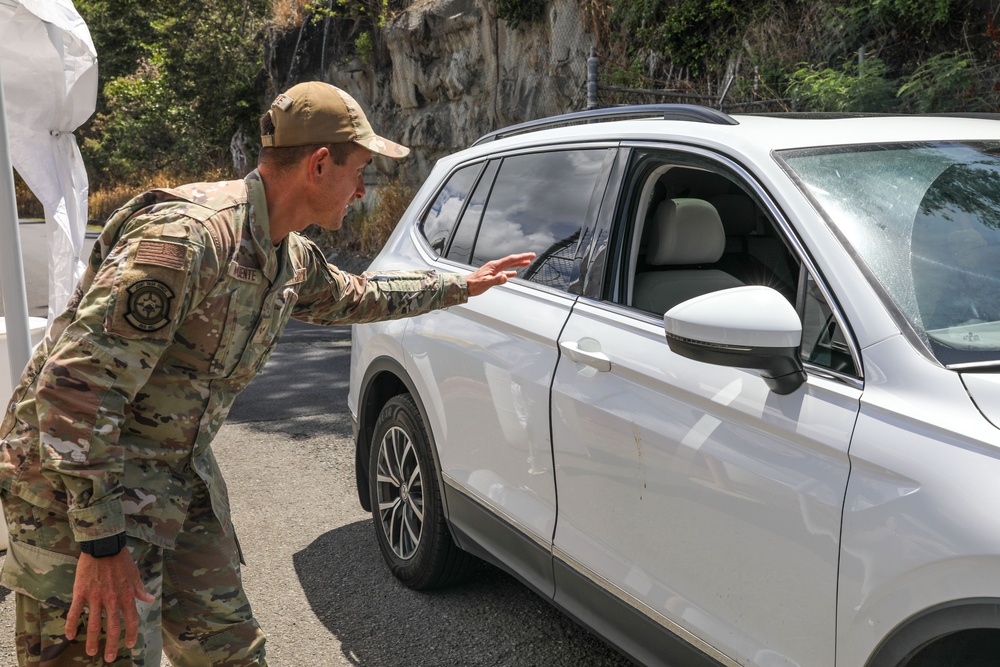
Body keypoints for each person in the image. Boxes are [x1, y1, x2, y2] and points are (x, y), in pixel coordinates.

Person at [0, 81, 534, 666]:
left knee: (230, 653)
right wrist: (101, 545)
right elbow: (74, 391)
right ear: (320, 164)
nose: (361, 190)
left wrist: (465, 283)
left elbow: (357, 296)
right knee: (100, 656)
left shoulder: (287, 253)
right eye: (359, 171)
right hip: (73, 492)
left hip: (171, 475)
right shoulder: (187, 239)